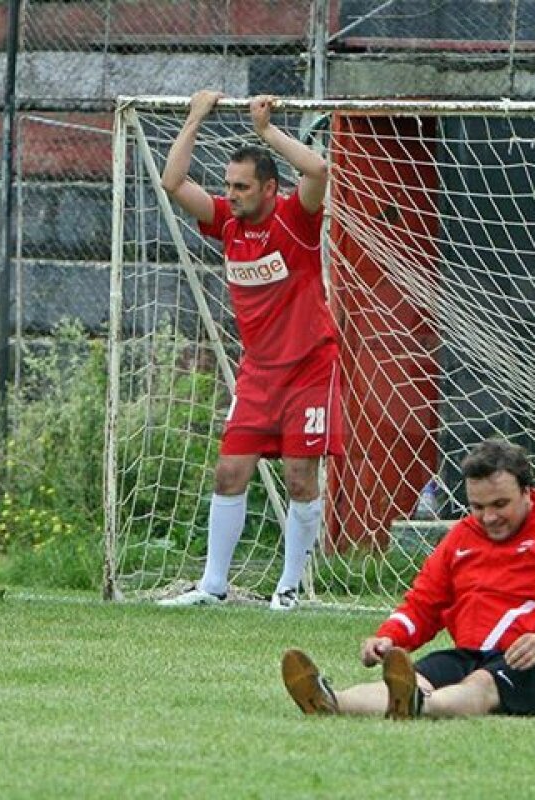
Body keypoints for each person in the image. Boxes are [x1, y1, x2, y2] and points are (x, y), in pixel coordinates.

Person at [157, 91, 337, 611]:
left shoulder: (294, 220)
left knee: (300, 477)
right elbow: (173, 182)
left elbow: (319, 169)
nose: (230, 194)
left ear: (269, 188)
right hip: (259, 373)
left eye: (241, 187)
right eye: (228, 186)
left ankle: (288, 589)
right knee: (229, 472)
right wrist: (194, 117)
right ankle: (212, 586)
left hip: (309, 368)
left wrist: (267, 133)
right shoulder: (227, 223)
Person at [281, 439, 535, 719]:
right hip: (470, 654)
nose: (489, 517)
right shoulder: (462, 538)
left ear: (528, 492)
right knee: (416, 677)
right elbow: (424, 603)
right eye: (478, 507)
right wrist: (388, 637)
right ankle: (330, 700)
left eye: (500, 504)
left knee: (481, 684)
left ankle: (420, 706)